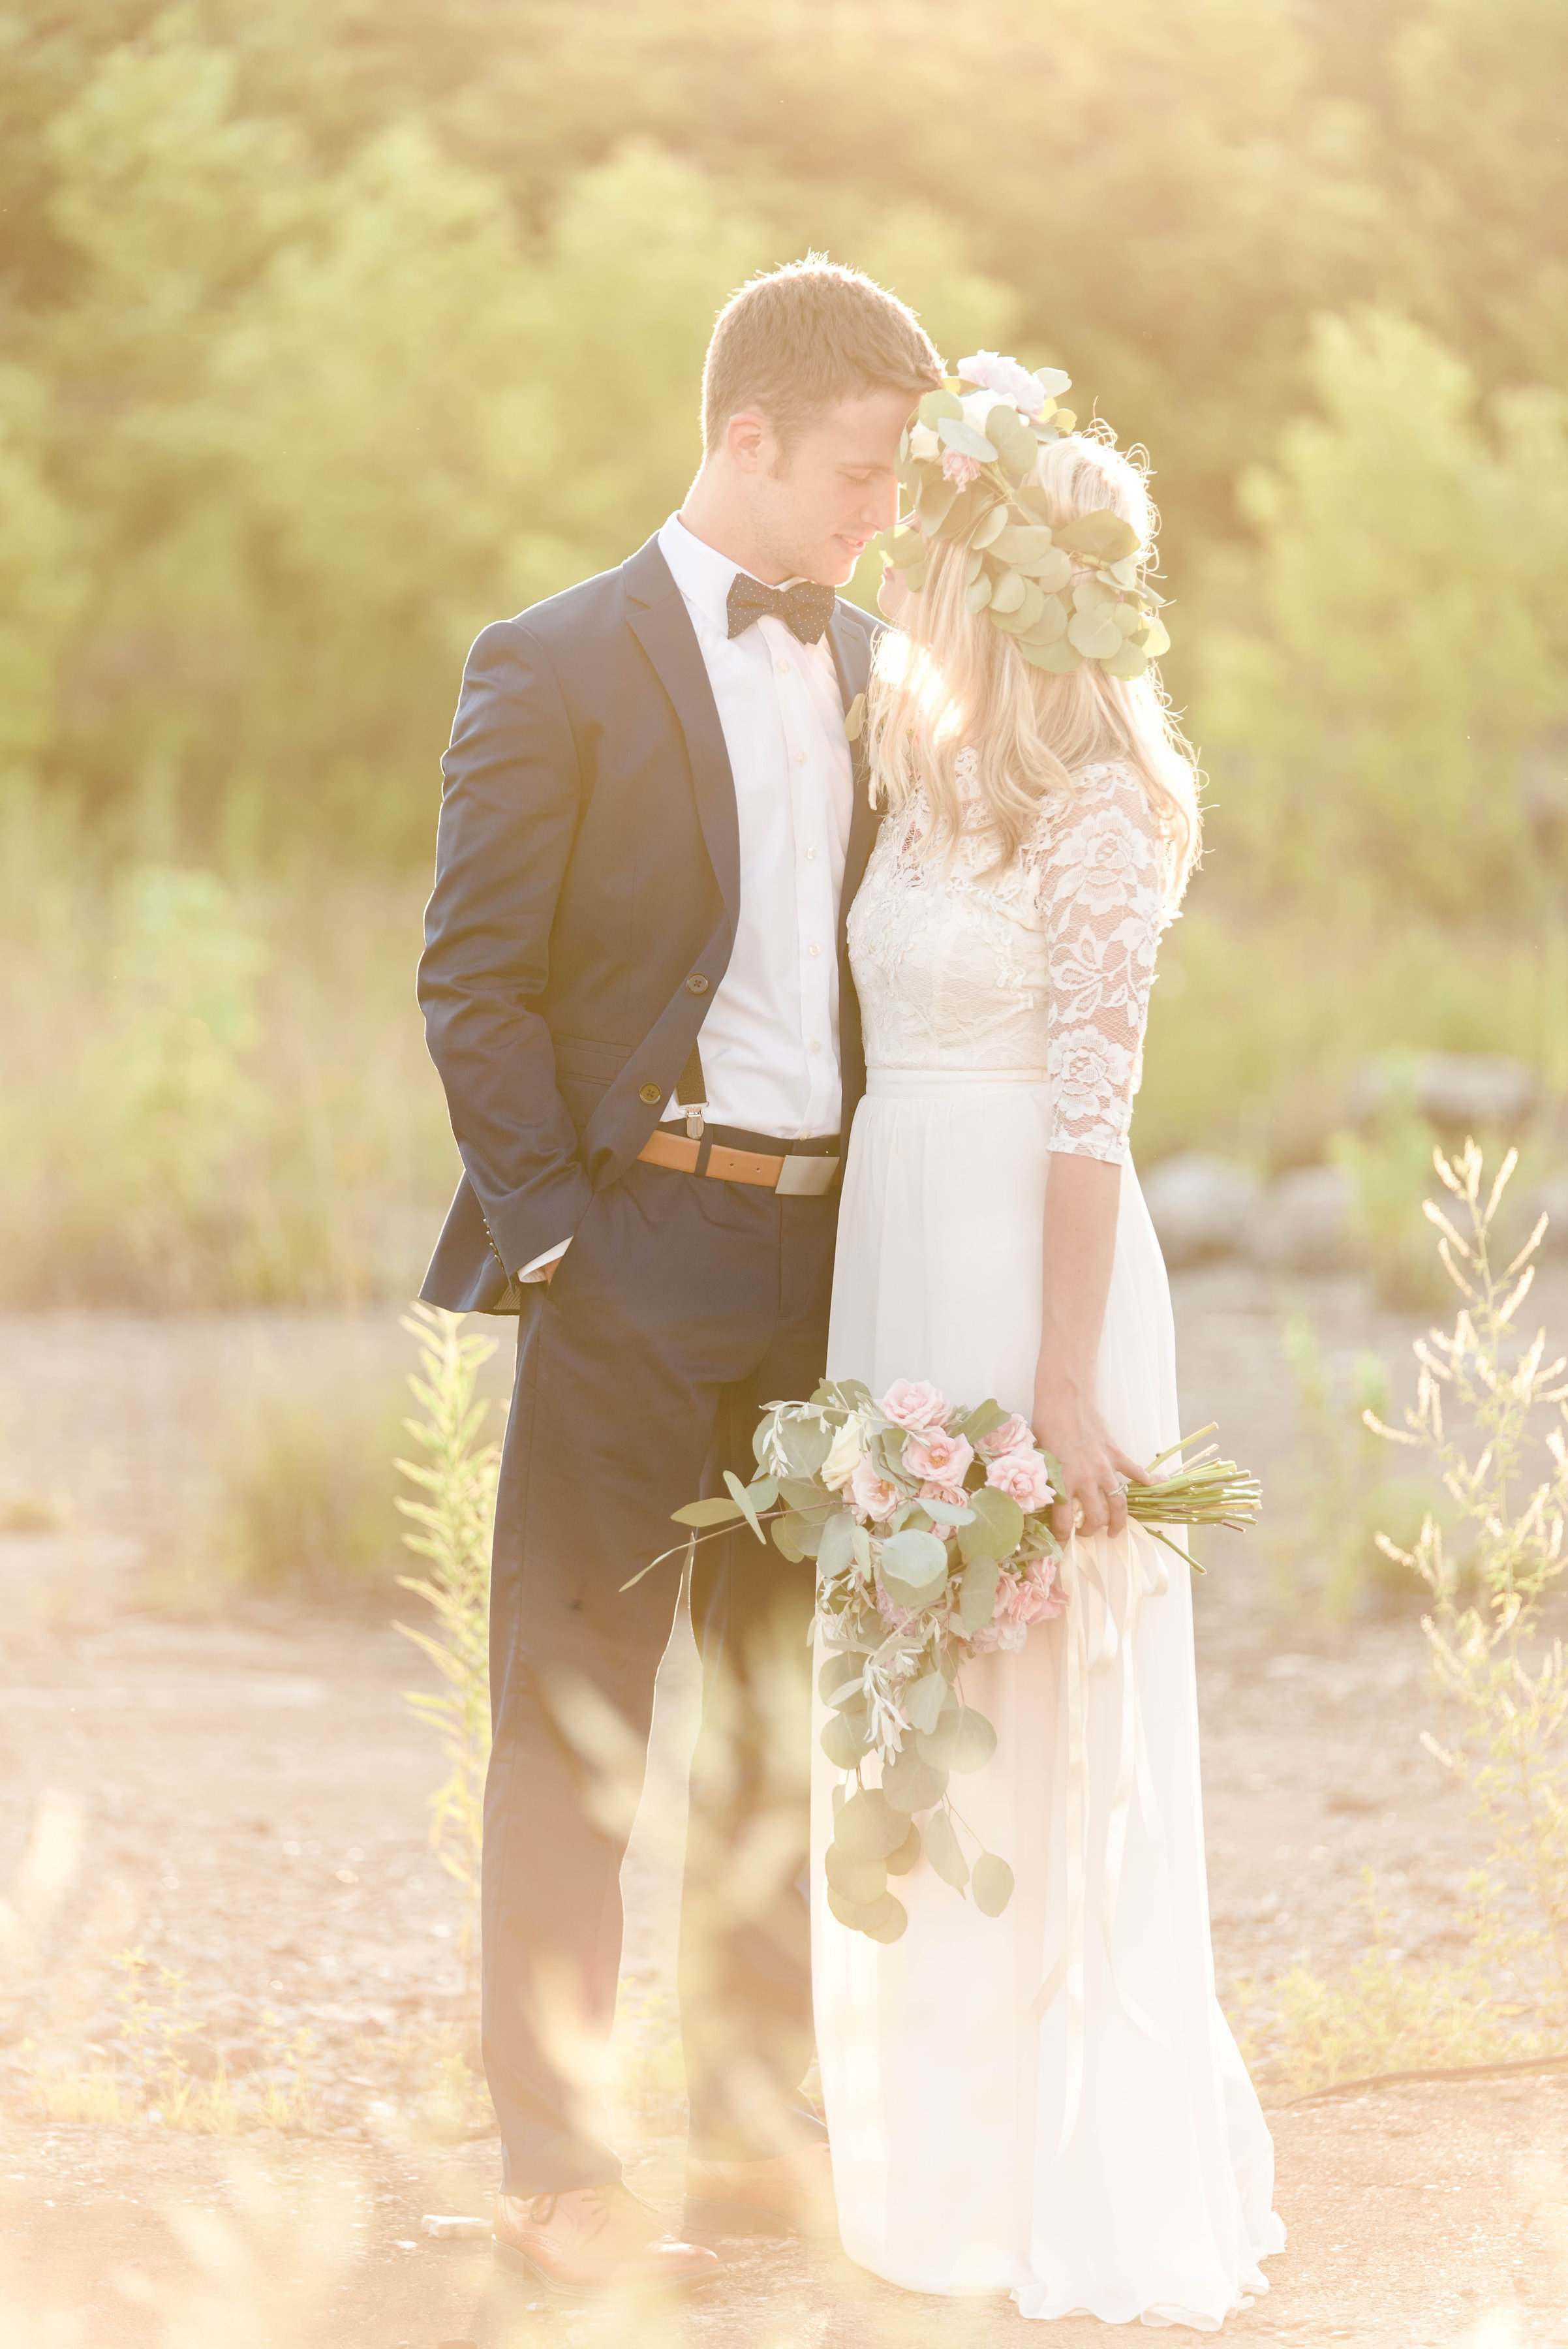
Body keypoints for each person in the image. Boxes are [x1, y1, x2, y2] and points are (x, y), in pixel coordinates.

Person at [416, 257, 944, 2296]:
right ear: (744, 436)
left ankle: (752, 2135)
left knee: (775, 1718)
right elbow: (476, 975)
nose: (874, 512)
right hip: (631, 1243)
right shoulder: (546, 662)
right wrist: (556, 1231)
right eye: (856, 472)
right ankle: (556, 2164)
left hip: (831, 1265)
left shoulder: (888, 666)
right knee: (573, 1727)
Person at [812, 394, 1285, 2325]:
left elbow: (1088, 1118)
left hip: (1031, 1271)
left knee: (1032, 1709)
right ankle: (923, 2159)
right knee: (908, 1696)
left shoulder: (1103, 804)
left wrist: (1066, 1387)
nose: (900, 572)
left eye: (931, 545)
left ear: (1002, 579)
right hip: (890, 1260)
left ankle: (1047, 2177)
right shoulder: (917, 774)